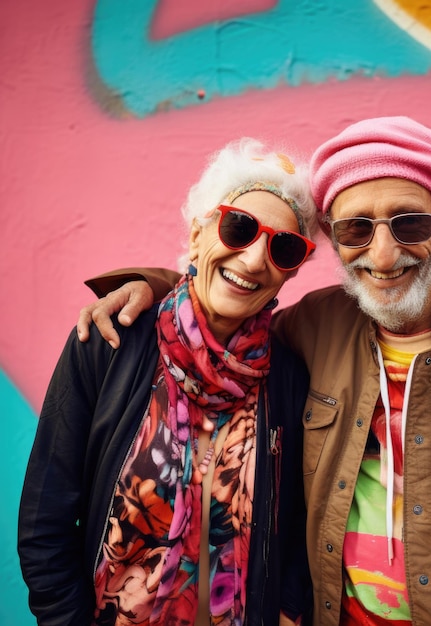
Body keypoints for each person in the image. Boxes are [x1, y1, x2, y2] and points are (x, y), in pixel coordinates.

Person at [74, 116, 431, 625]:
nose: (381, 255)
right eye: (356, 229)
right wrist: (151, 287)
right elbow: (222, 311)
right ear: (332, 238)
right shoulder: (312, 327)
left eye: (409, 223)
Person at [18, 137, 319, 626]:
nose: (253, 259)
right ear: (199, 234)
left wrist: (289, 609)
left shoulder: (287, 375)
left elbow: (297, 523)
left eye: (283, 247)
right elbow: (43, 523)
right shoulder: (110, 342)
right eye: (238, 228)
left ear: (292, 271)